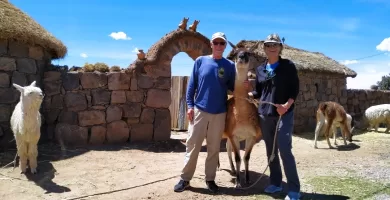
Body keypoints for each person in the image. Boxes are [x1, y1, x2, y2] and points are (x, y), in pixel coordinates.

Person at [173, 32, 236, 193]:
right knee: (193, 146)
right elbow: (191, 86)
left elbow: (232, 87)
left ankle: (210, 179)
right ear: (211, 44)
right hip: (199, 110)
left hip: (219, 113)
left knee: (214, 148)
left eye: (222, 43)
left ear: (225, 45)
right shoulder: (200, 61)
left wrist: (245, 86)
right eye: (216, 43)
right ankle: (185, 179)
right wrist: (190, 106)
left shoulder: (229, 65)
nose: (219, 46)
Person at [247, 33, 301, 200]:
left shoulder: (288, 66)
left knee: (284, 149)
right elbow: (259, 92)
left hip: (283, 114)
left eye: (275, 45)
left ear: (280, 48)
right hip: (265, 114)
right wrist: (249, 91)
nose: (272, 47)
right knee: (271, 151)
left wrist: (286, 105)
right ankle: (276, 183)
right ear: (264, 48)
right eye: (269, 45)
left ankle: (294, 189)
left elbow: (294, 89)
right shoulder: (260, 70)